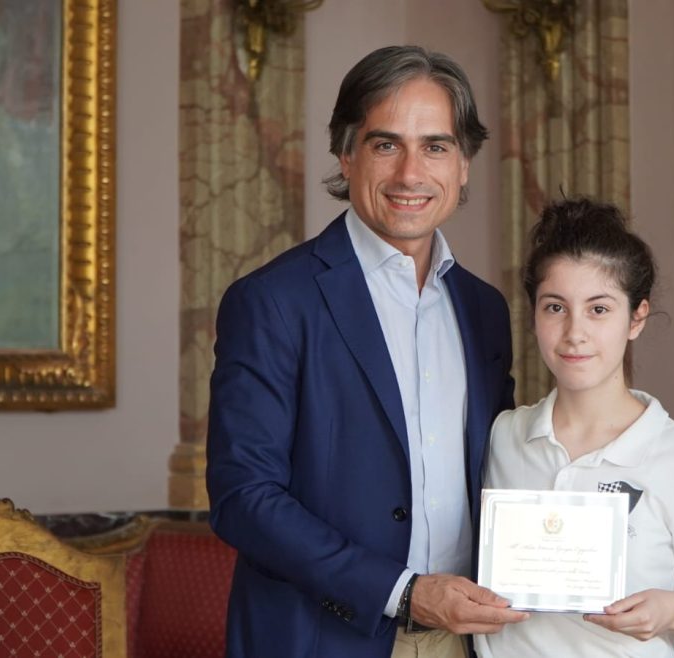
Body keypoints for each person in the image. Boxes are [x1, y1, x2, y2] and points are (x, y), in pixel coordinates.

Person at [206, 45, 527, 658]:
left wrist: (641, 457)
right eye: (386, 145)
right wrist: (403, 593)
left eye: (436, 146)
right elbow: (243, 497)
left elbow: (508, 460)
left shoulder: (484, 309)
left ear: (464, 165)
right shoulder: (272, 301)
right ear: (346, 154)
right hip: (319, 641)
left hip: (468, 641)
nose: (411, 174)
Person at [476, 198, 674, 658]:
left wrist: (673, 612)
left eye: (599, 309)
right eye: (555, 307)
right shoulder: (503, 436)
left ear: (636, 318)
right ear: (534, 315)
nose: (574, 332)